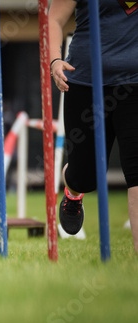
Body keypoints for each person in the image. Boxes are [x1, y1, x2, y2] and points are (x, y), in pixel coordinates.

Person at [49, 0, 138, 252]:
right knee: (84, 176)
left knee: (136, 172)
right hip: (85, 81)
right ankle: (73, 191)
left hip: (134, 82)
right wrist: (55, 60)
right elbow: (53, 19)